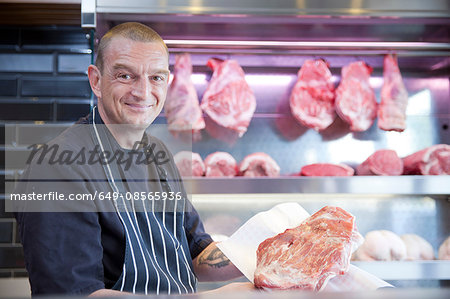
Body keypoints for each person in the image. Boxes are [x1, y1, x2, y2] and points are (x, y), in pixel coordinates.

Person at [13, 22, 254, 296]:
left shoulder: (158, 153)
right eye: (126, 76)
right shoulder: (56, 169)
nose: (142, 92)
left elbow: (195, 252)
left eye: (156, 78)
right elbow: (75, 294)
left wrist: (270, 252)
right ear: (96, 81)